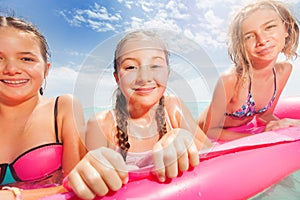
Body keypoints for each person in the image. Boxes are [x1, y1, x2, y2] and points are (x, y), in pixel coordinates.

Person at [64, 30, 212, 200]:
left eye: (155, 66)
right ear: (117, 78)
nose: (144, 77)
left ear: (168, 73)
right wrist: (90, 168)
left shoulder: (174, 108)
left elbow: (217, 157)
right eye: (131, 67)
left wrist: (184, 137)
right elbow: (85, 184)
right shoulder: (101, 125)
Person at [0, 16, 86, 199]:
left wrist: (12, 196)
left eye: (26, 59)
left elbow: (76, 187)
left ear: (46, 69)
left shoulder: (63, 108)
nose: (11, 69)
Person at [198, 0, 299, 141]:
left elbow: (264, 115)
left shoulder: (284, 71)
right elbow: (210, 131)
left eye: (269, 27)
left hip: (238, 130)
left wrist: (284, 127)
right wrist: (256, 137)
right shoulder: (231, 79)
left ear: (286, 29)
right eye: (250, 36)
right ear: (241, 45)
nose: (262, 40)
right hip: (205, 133)